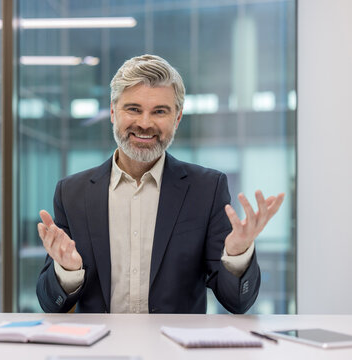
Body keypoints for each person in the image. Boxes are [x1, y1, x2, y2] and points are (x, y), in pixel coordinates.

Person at [35, 54, 284, 314]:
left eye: (160, 111)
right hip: (101, 350)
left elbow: (237, 303)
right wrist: (67, 272)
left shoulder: (206, 190)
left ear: (177, 119)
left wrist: (237, 255)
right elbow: (51, 305)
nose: (145, 123)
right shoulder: (72, 193)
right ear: (112, 112)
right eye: (133, 109)